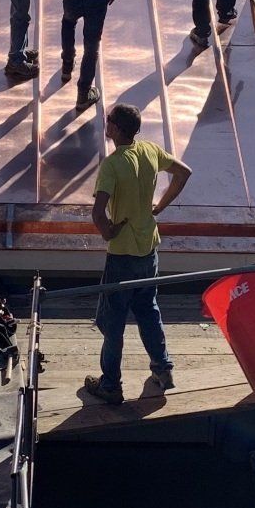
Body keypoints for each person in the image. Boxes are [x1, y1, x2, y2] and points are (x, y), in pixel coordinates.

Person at [82, 103, 192, 405]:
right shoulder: (150, 151)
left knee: (113, 322)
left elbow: (97, 210)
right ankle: (163, 370)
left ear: (115, 129)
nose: (106, 125)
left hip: (122, 255)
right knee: (148, 309)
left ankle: (111, 385)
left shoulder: (113, 164)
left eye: (108, 122)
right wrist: (160, 207)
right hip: (149, 249)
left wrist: (107, 232)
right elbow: (183, 173)